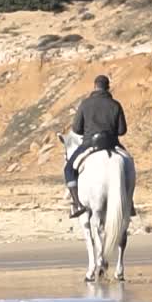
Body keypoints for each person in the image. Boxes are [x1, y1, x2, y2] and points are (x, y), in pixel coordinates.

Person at [64, 74, 128, 218]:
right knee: (129, 166)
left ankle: (77, 203)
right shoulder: (115, 105)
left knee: (68, 169)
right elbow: (122, 131)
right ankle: (130, 203)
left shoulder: (85, 104)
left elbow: (76, 129)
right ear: (108, 87)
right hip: (112, 143)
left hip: (89, 144)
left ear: (95, 86)